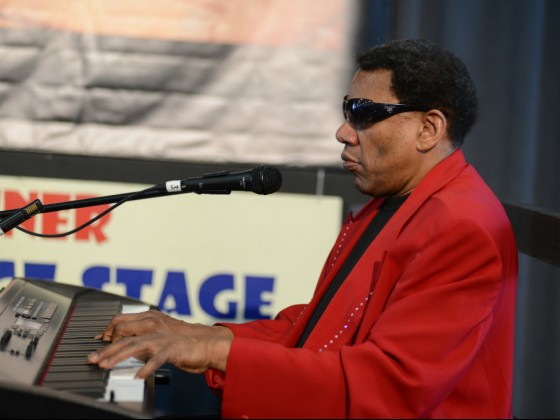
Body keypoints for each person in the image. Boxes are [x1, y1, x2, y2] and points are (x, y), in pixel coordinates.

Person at [88, 39, 518, 418]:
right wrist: (199, 334)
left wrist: (218, 352)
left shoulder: (463, 228)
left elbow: (390, 389)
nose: (343, 132)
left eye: (364, 113)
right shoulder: (394, 204)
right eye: (347, 110)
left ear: (429, 128)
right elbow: (318, 331)